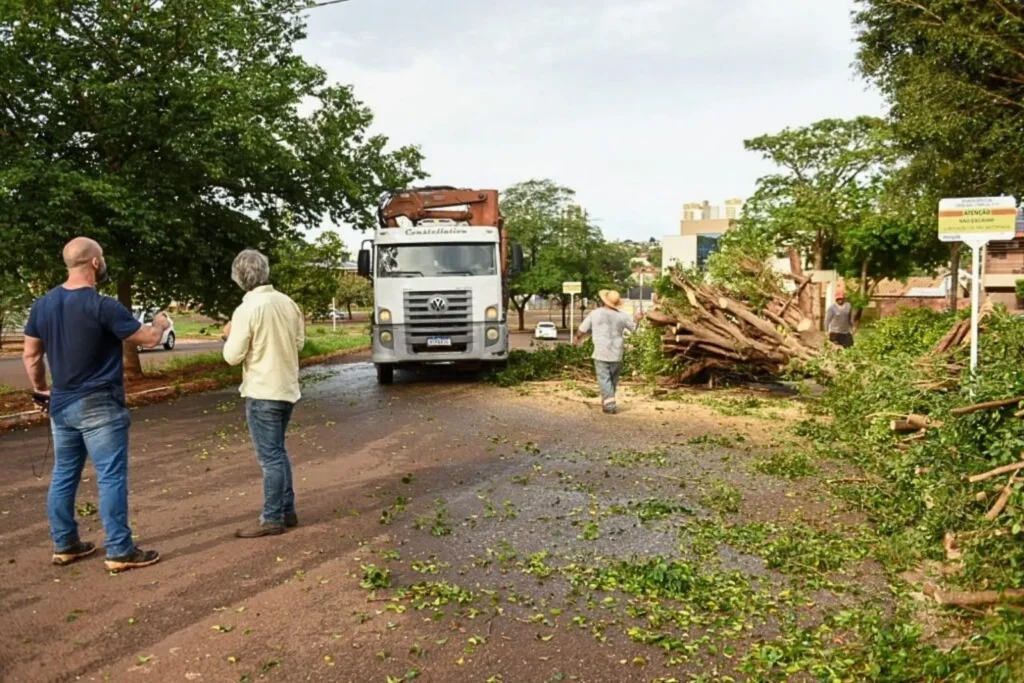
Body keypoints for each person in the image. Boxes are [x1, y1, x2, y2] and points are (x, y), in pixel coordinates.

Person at [22, 237, 168, 572]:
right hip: (101, 404)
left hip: (61, 405)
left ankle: (66, 544)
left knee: (63, 475)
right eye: (101, 257)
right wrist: (160, 323)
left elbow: (31, 355)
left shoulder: (42, 305)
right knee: (110, 476)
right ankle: (119, 550)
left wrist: (41, 389)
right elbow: (147, 338)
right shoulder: (103, 305)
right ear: (95, 264)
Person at [222, 249, 305, 538]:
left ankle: (272, 518)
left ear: (239, 277)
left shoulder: (247, 309)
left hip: (262, 391)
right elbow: (299, 342)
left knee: (270, 458)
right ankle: (287, 509)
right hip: (287, 388)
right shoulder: (288, 303)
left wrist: (227, 335)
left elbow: (232, 356)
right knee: (278, 453)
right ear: (265, 271)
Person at [573, 289, 642, 414]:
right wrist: (637, 319)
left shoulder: (595, 313)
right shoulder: (623, 316)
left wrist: (577, 338)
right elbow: (634, 329)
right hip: (617, 353)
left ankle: (610, 405)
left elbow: (582, 329)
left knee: (604, 379)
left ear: (603, 300)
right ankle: (607, 401)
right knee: (612, 380)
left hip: (601, 351)